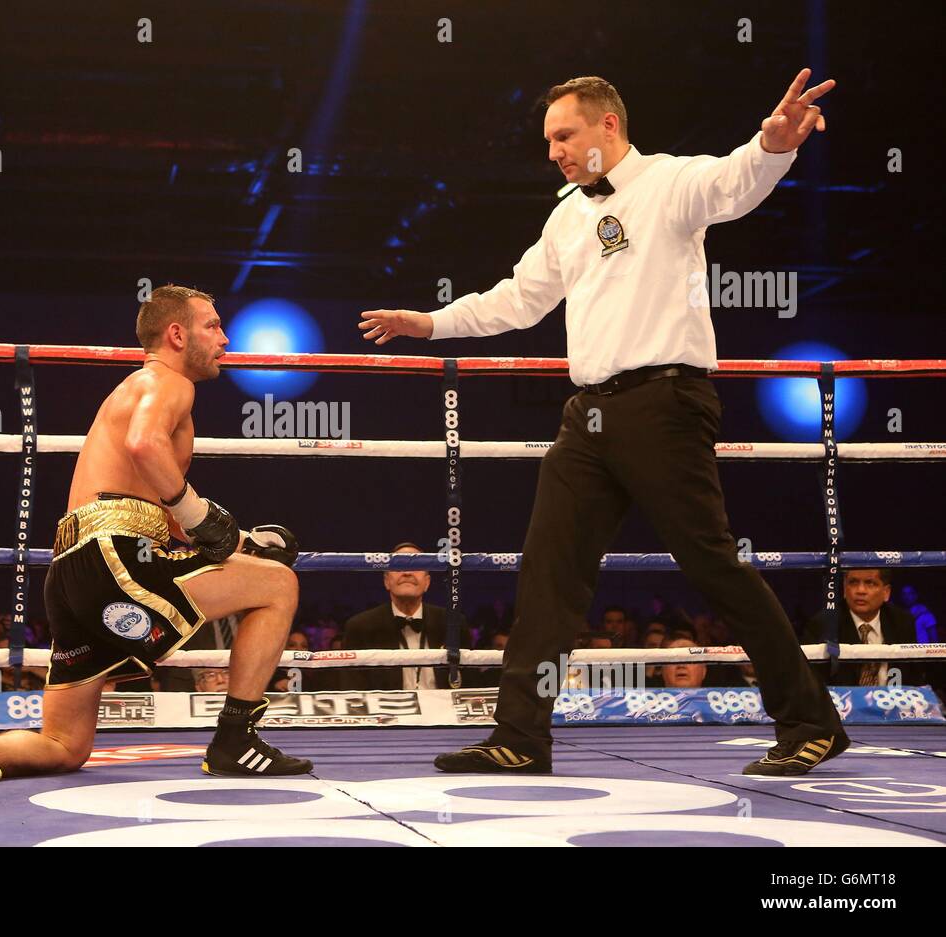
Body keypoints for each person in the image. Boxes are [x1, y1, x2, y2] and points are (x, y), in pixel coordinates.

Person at [360, 70, 846, 777]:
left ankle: (809, 720)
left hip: (664, 403)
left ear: (608, 126)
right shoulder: (568, 215)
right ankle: (520, 735)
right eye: (549, 139)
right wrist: (428, 322)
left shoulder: (669, 182)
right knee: (549, 573)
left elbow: (734, 183)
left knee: (712, 563)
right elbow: (517, 300)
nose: (553, 150)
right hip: (585, 414)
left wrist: (772, 147)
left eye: (565, 135)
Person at [0, 284, 308, 792]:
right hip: (115, 558)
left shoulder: (143, 391)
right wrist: (203, 516)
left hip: (76, 569)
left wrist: (236, 540)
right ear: (176, 334)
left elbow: (167, 519)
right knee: (278, 586)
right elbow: (144, 445)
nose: (225, 337)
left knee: (64, 745)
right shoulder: (166, 382)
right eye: (212, 326)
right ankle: (235, 740)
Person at [341, 542, 471, 691]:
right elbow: (353, 688)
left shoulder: (453, 623)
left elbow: (470, 684)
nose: (407, 572)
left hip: (444, 711)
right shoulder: (360, 627)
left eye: (415, 564)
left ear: (427, 583)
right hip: (387, 712)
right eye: (399, 564)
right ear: (386, 581)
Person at [803, 569, 924, 687]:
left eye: (870, 583)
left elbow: (914, 678)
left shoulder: (902, 622)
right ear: (845, 589)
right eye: (853, 582)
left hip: (893, 702)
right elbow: (813, 682)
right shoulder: (824, 624)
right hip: (842, 705)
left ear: (886, 592)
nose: (860, 591)